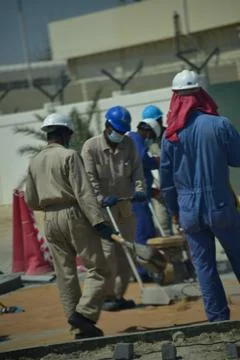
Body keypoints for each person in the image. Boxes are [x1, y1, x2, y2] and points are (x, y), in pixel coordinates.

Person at [25, 113, 115, 339]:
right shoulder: (70, 156)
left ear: (48, 134)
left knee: (65, 274)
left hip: (49, 218)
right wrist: (99, 221)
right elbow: (83, 192)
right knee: (98, 268)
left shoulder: (35, 161)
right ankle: (84, 314)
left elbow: (31, 200)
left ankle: (76, 326)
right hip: (73, 215)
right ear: (65, 134)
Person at [160, 69, 240, 322]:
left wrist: (175, 211)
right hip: (220, 206)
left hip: (188, 211)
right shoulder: (220, 124)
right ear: (201, 94)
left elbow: (166, 183)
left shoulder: (170, 136)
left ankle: (218, 322)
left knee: (204, 268)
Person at [81, 105, 146, 311]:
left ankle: (118, 296)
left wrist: (140, 189)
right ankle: (107, 296)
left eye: (122, 132)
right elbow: (89, 179)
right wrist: (100, 197)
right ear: (107, 126)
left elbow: (137, 170)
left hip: (125, 209)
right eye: (117, 131)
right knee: (108, 256)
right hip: (104, 213)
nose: (120, 135)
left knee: (126, 252)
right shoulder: (90, 148)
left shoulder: (129, 145)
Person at [127, 118, 161, 281]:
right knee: (143, 232)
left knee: (145, 231)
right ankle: (142, 271)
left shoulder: (132, 139)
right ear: (149, 133)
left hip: (139, 194)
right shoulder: (136, 139)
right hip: (136, 197)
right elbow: (142, 159)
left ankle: (143, 268)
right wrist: (157, 161)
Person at [142, 105, 173, 236]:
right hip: (158, 193)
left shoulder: (170, 135)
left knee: (184, 225)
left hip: (175, 188)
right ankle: (175, 256)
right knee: (164, 226)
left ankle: (189, 255)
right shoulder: (144, 142)